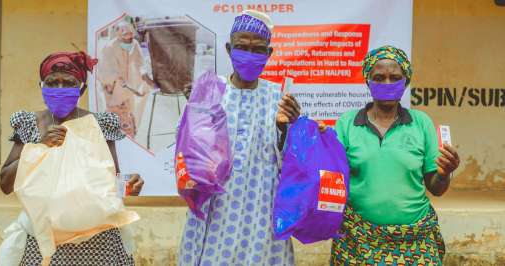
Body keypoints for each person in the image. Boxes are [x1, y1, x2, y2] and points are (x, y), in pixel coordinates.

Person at [178, 10, 301, 266]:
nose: (249, 55)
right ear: (228, 49)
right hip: (216, 208)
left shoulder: (281, 98)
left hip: (261, 210)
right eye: (242, 47)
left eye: (258, 50)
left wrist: (287, 128)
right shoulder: (210, 91)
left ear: (269, 54)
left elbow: (294, 164)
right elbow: (189, 153)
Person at [0, 51, 144, 265]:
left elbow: (112, 181)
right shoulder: (31, 123)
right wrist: (39, 147)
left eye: (68, 83)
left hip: (98, 241)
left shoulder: (100, 124)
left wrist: (131, 185)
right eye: (52, 82)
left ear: (81, 88)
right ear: (41, 86)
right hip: (44, 240)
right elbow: (5, 184)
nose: (59, 89)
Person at [327, 45, 460, 265]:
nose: (387, 83)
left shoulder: (421, 123)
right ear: (367, 81)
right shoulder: (347, 124)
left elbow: (436, 188)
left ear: (406, 81)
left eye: (395, 77)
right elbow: (333, 179)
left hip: (415, 241)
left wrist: (445, 173)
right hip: (358, 241)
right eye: (379, 77)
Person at [97, 21, 154, 138]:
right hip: (114, 93)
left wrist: (144, 75)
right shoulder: (109, 47)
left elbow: (140, 63)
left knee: (129, 123)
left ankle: (130, 142)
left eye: (130, 35)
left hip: (129, 92)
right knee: (113, 125)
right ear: (118, 35)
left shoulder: (135, 44)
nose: (129, 38)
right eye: (125, 35)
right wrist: (116, 78)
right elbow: (104, 72)